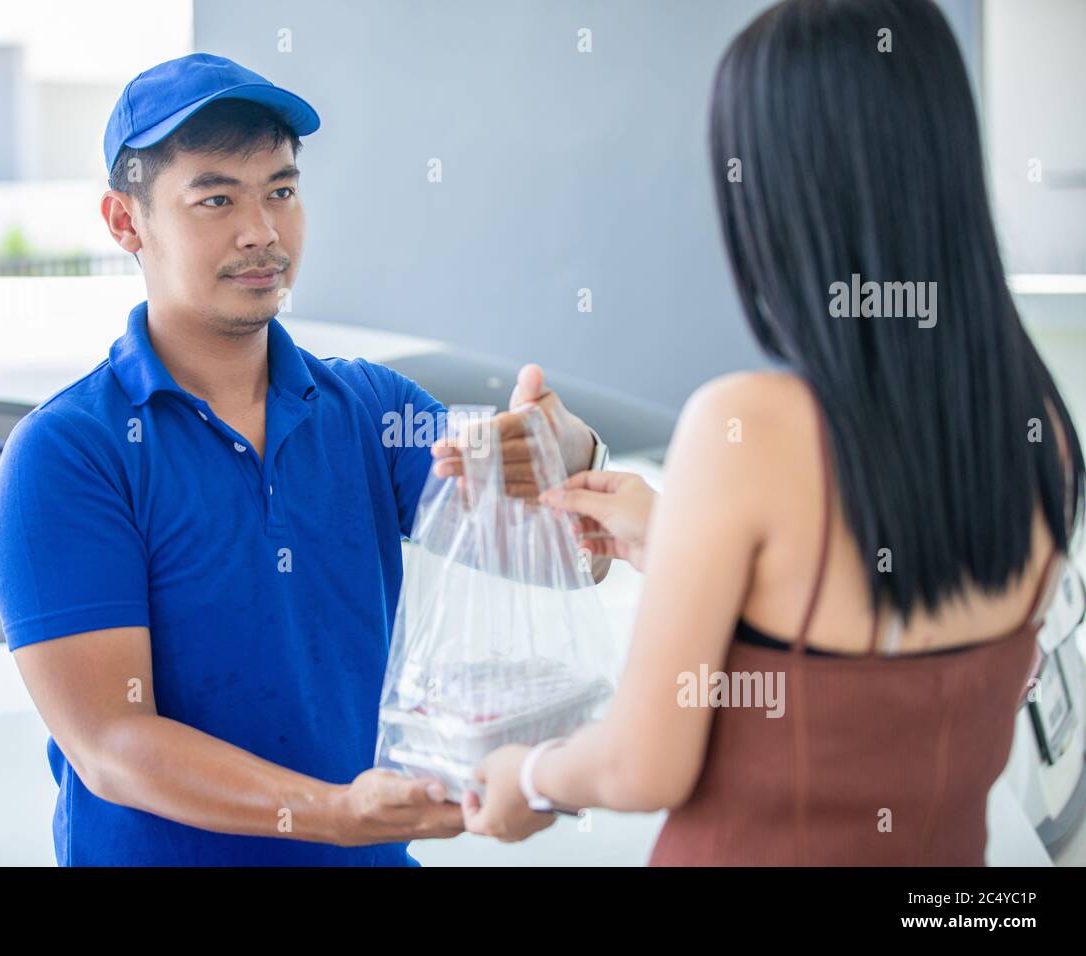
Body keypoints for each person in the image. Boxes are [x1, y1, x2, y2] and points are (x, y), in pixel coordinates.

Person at [464, 0, 1085, 865]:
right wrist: (674, 536)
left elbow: (646, 766)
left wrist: (526, 775)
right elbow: (879, 605)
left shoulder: (747, 427)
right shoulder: (1041, 427)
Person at [0, 53, 609, 866]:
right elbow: (111, 742)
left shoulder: (371, 411)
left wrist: (566, 449)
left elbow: (571, 560)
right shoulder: (70, 454)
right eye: (216, 199)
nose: (263, 232)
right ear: (125, 221)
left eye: (281, 190)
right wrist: (332, 813)